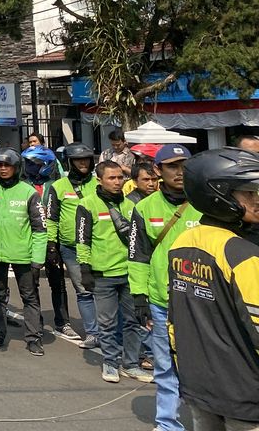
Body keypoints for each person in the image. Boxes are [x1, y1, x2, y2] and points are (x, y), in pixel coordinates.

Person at [167, 147, 259, 430]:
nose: (258, 200)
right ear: (218, 195)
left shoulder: (181, 243)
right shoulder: (242, 254)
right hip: (245, 394)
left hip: (199, 387)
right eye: (248, 194)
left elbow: (175, 323)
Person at [128, 143, 200, 431]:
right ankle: (168, 423)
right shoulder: (144, 208)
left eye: (184, 165)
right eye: (172, 166)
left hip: (200, 301)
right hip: (160, 302)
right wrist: (139, 297)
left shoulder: (205, 203)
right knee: (165, 365)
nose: (179, 172)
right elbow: (137, 255)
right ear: (158, 170)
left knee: (200, 366)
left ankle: (204, 421)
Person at [76, 159, 151, 383]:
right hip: (102, 275)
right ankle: (109, 362)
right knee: (107, 323)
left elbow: (140, 241)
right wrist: (85, 268)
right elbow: (82, 238)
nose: (117, 182)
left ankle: (130, 364)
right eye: (111, 178)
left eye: (120, 177)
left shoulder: (131, 206)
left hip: (130, 273)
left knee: (132, 321)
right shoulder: (87, 204)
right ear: (99, 180)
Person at [0, 148, 46, 356]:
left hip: (24, 255)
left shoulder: (29, 193)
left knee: (29, 297)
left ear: (16, 167)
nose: (3, 169)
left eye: (7, 165)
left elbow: (40, 229)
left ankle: (33, 337)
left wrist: (37, 261)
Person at [45, 142, 100, 346]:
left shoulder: (99, 184)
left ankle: (110, 332)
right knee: (84, 290)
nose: (83, 163)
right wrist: (52, 245)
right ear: (69, 162)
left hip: (99, 245)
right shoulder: (58, 187)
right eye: (78, 160)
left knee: (104, 290)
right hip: (70, 247)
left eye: (86, 159)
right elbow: (51, 218)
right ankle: (93, 332)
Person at [22, 144, 70, 342]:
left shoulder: (55, 185)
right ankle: (36, 322)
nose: (30, 167)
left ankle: (62, 321)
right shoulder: (24, 186)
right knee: (31, 284)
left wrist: (52, 243)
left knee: (57, 282)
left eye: (35, 164)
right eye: (28, 163)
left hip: (53, 240)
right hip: (30, 240)